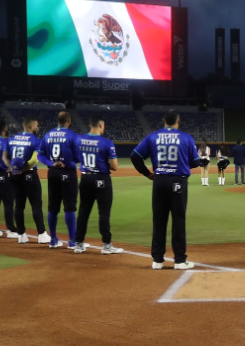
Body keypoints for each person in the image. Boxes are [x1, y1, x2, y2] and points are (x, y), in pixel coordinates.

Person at [131, 110, 199, 270]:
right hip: (178, 182)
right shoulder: (186, 138)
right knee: (178, 221)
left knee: (159, 221)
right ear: (178, 121)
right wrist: (182, 164)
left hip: (159, 180)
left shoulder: (152, 137)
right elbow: (196, 162)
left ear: (163, 121)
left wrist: (147, 173)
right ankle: (180, 260)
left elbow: (134, 156)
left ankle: (157, 260)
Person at [75, 115, 123, 255]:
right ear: (101, 125)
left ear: (90, 125)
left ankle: (78, 244)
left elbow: (76, 157)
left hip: (85, 178)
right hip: (101, 179)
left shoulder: (79, 140)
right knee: (103, 212)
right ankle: (106, 245)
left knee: (83, 212)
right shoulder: (106, 142)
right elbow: (115, 166)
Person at [40, 112, 81, 249]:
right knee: (69, 206)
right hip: (67, 172)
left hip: (52, 172)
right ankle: (72, 241)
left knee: (53, 207)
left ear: (58, 121)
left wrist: (51, 164)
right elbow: (78, 156)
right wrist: (70, 160)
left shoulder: (48, 134)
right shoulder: (72, 136)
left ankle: (53, 240)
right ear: (68, 122)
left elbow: (40, 155)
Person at [8, 118, 50, 244]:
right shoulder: (36, 140)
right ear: (31, 126)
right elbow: (34, 160)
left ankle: (21, 235)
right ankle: (42, 234)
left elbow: (5, 156)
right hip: (29, 174)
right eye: (37, 126)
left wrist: (12, 169)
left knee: (19, 205)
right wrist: (24, 169)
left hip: (14, 175)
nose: (38, 128)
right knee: (36, 205)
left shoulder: (12, 139)